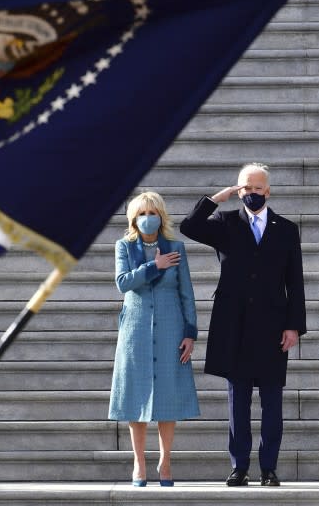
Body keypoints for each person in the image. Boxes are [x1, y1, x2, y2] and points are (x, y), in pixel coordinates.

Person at [179, 162, 306, 487]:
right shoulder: (225, 222)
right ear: (239, 190)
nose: (251, 194)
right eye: (245, 188)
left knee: (272, 403)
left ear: (268, 190)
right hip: (233, 326)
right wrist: (216, 199)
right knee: (237, 403)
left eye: (257, 188)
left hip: (273, 327)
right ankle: (239, 467)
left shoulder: (286, 229)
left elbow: (296, 280)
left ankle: (269, 468)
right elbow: (189, 227)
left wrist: (294, 326)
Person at [108, 191, 200, 487]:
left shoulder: (176, 248)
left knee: (167, 394)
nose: (148, 219)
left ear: (162, 216)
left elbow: (186, 292)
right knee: (136, 394)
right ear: (134, 219)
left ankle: (166, 460)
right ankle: (139, 462)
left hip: (171, 325)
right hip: (135, 328)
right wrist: (154, 267)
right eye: (142, 214)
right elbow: (123, 283)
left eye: (153, 213)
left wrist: (190, 332)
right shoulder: (124, 246)